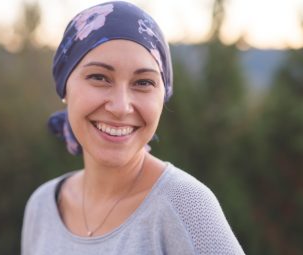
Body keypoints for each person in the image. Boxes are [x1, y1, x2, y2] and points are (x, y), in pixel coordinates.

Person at [21, 1, 245, 254]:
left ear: (163, 96)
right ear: (65, 87)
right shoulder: (42, 207)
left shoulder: (185, 205)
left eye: (143, 82)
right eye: (99, 77)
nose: (120, 106)